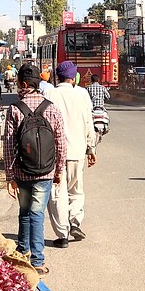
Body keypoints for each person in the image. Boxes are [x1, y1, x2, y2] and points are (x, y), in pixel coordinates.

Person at [2, 64, 66, 275]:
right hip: (45, 171)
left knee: (25, 212)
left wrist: (10, 176)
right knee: (37, 214)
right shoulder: (52, 108)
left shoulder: (14, 109)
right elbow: (60, 142)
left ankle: (23, 253)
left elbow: (9, 145)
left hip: (22, 170)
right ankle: (37, 261)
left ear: (21, 83)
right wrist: (58, 171)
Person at [45, 60, 96, 247]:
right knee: (76, 190)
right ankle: (75, 221)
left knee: (58, 192)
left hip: (54, 153)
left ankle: (63, 234)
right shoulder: (82, 94)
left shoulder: (49, 92)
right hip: (77, 151)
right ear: (74, 78)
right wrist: (92, 148)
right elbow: (89, 122)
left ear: (57, 76)